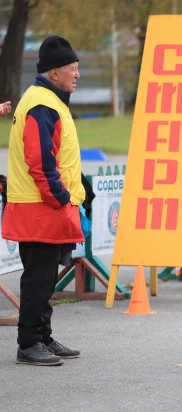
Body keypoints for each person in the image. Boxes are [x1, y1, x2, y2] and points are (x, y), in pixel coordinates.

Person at [3, 35, 86, 366]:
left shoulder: (48, 101)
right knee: (38, 278)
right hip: (40, 206)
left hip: (43, 205)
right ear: (55, 73)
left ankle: (42, 336)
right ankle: (28, 343)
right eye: (73, 69)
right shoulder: (42, 104)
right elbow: (40, 162)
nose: (77, 75)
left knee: (46, 275)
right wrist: (61, 198)